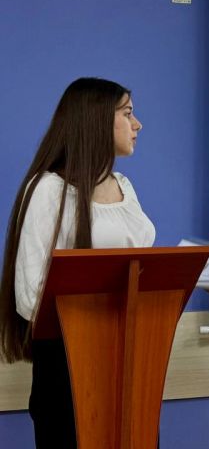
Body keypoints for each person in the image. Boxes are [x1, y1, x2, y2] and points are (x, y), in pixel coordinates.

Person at [0, 78, 154, 449]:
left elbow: (141, 269)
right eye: (128, 113)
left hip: (130, 360)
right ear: (96, 120)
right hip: (69, 368)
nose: (138, 125)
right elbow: (31, 296)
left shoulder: (124, 186)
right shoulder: (47, 190)